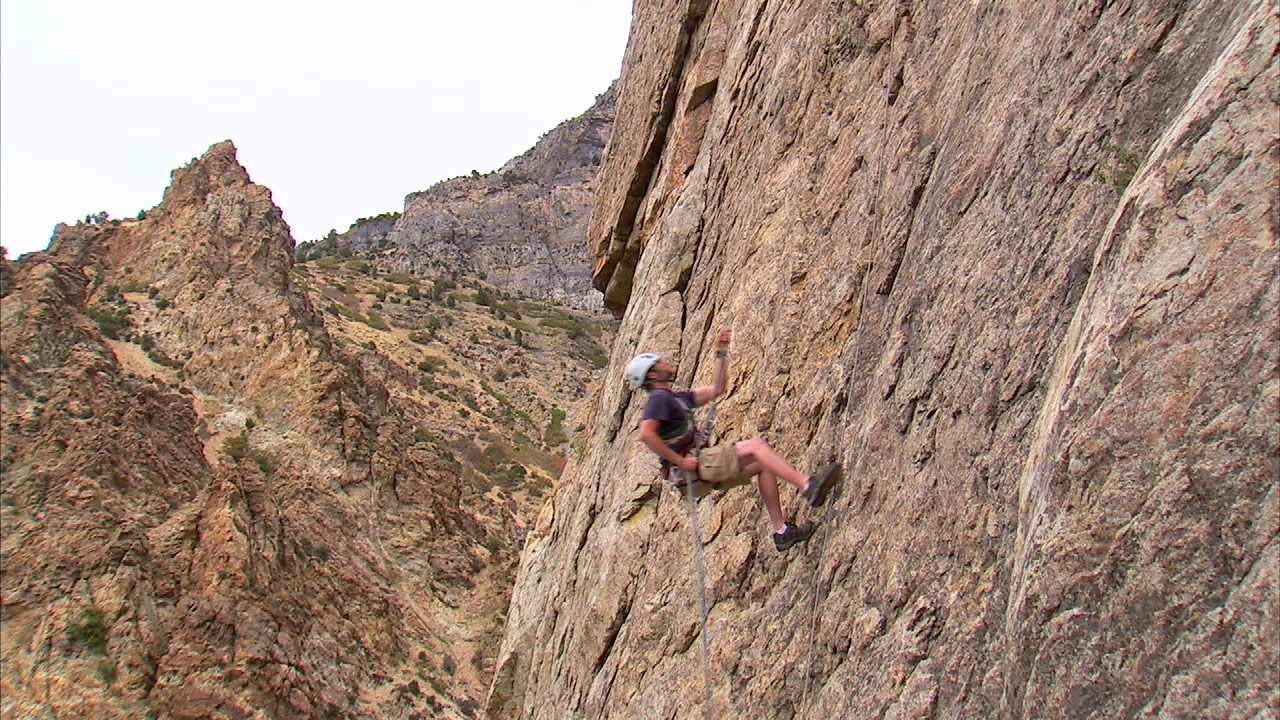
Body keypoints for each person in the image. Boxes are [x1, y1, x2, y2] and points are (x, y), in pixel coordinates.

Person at [627, 329, 840, 552]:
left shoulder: (676, 399)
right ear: (652, 375)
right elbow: (646, 434)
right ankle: (807, 484)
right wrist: (680, 462)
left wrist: (721, 352)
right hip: (693, 466)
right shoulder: (658, 398)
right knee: (757, 446)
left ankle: (781, 531)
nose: (666, 362)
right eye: (660, 362)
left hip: (693, 474)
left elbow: (718, 389)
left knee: (763, 465)